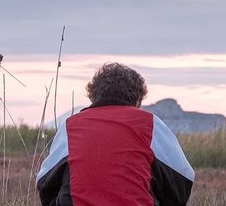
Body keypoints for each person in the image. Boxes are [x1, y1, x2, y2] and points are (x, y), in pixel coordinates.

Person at [36, 62, 195, 205]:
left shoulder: (71, 126)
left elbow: (45, 183)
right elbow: (182, 179)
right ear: (138, 99)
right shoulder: (150, 124)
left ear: (93, 96)